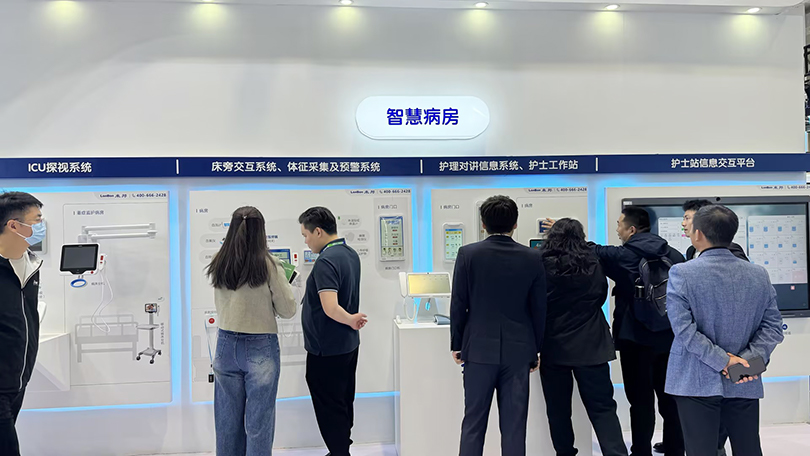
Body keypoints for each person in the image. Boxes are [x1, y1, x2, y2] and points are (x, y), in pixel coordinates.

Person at [545, 206, 685, 456]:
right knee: (667, 399)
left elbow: (593, 250)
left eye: (619, 224)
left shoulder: (622, 255)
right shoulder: (674, 254)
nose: (617, 229)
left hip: (632, 338)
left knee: (639, 401)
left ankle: (640, 450)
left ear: (631, 229)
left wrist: (564, 234)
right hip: (665, 337)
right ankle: (673, 449)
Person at [665, 205, 784, 456]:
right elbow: (773, 327)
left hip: (695, 380)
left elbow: (684, 330)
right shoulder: (758, 274)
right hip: (745, 377)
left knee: (701, 451)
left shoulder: (682, 273)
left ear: (698, 233)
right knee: (748, 449)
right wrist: (744, 362)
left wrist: (724, 361)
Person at [450, 195, 546, 456]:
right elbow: (539, 308)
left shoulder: (468, 254)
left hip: (478, 349)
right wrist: (536, 349)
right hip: (519, 350)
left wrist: (457, 343)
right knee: (515, 426)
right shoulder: (532, 257)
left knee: (473, 422)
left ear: (483, 224)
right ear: (515, 224)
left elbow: (458, 303)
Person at [653, 199, 747, 456]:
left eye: (687, 218)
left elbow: (729, 311)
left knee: (718, 436)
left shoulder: (731, 257)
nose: (683, 223)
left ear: (702, 225)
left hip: (724, 363)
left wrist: (730, 362)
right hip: (719, 363)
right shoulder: (690, 254)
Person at [206, 206, 297, 456]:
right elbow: (288, 309)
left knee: (226, 422)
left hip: (225, 344)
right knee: (259, 423)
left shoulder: (219, 260)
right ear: (261, 232)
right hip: (261, 347)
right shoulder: (269, 264)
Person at [539, 218, 628, 456]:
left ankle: (565, 452)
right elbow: (600, 295)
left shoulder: (542, 263)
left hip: (554, 345)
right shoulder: (593, 261)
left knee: (558, 409)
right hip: (592, 344)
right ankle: (616, 453)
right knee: (603, 407)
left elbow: (538, 302)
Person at [299, 206, 367, 456]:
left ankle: (340, 452)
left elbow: (330, 307)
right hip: (347, 344)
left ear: (318, 231)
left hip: (326, 348)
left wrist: (350, 320)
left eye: (306, 235)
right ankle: (341, 448)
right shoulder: (350, 254)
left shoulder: (326, 261)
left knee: (329, 405)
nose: (306, 242)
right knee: (343, 398)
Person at [0, 192, 45, 456]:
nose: (41, 226)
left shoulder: (31, 265)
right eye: (37, 220)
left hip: (18, 381)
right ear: (13, 225)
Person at [682, 199, 747, 262]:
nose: (683, 224)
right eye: (683, 219)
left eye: (687, 218)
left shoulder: (730, 249)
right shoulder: (691, 251)